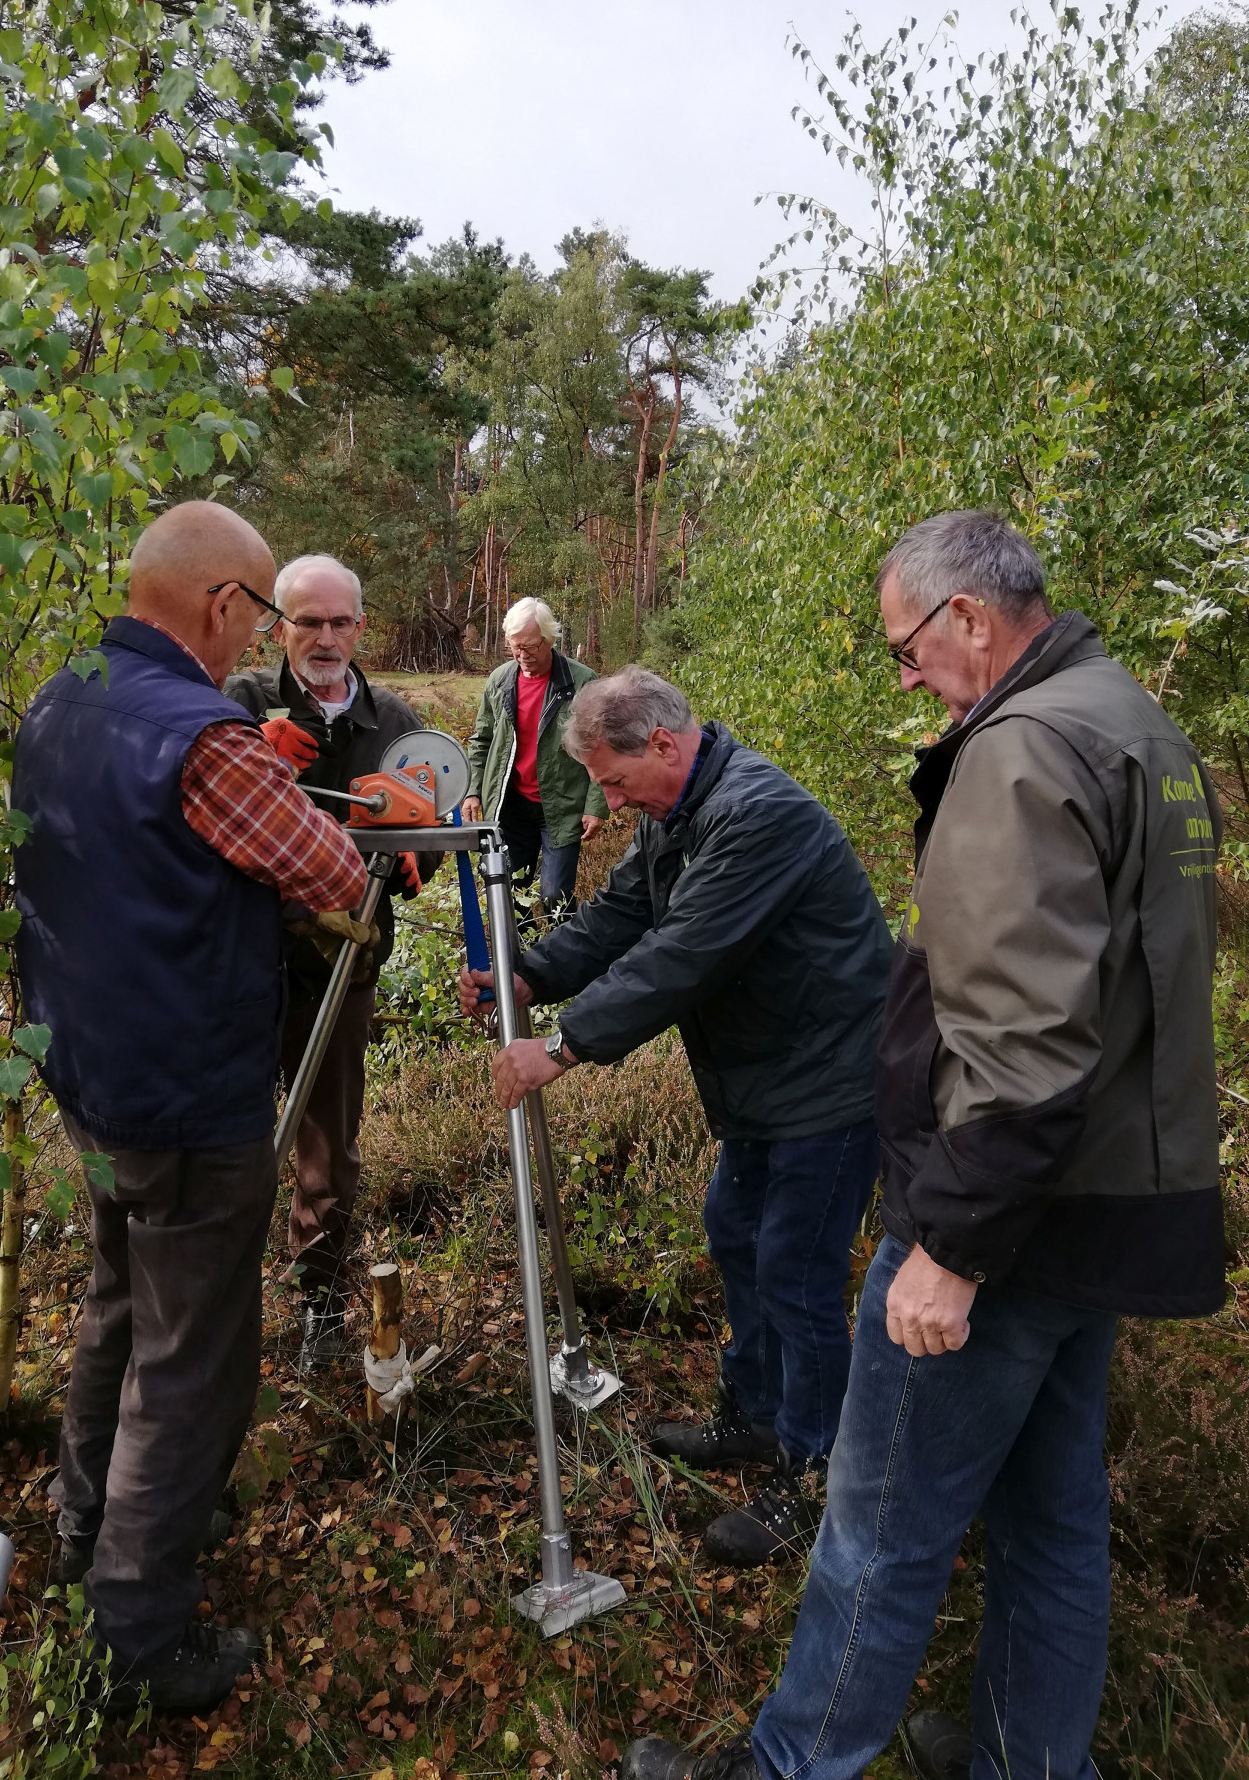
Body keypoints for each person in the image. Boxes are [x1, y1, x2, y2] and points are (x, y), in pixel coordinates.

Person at [624, 512, 1227, 1780]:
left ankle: (790, 1765)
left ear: (968, 617)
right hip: (1109, 1199)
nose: (908, 678)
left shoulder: (1022, 753)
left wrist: (948, 1245)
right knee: (1053, 1517)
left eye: (908, 649)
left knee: (878, 1519)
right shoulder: (1141, 728)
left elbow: (1021, 1032)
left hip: (1004, 1218)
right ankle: (1027, 1756)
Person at [13, 503, 368, 1714]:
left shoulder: (64, 696)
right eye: (259, 614)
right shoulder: (208, 738)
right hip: (188, 1094)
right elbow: (329, 873)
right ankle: (139, 1636)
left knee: (118, 1306)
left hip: (93, 1081)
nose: (258, 638)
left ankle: (81, 1530)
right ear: (223, 607)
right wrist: (300, 795)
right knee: (190, 1358)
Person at [458, 666, 892, 1565]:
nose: (608, 806)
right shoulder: (678, 814)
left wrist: (564, 1044)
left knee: (796, 1271)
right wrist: (530, 973)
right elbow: (621, 918)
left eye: (614, 783)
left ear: (663, 744)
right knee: (735, 1231)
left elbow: (684, 953)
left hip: (834, 1083)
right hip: (767, 1082)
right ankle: (756, 1416)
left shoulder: (757, 815)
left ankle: (816, 1476)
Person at [224, 552, 441, 1367]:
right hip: (238, 967)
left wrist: (422, 856)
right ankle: (223, 1306)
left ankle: (318, 1304)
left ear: (360, 626)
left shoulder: (397, 723)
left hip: (343, 968)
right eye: (307, 620)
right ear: (278, 626)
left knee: (329, 1148)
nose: (324, 636)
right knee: (230, 1142)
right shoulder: (236, 705)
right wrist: (252, 762)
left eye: (338, 621)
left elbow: (433, 823)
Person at [463, 597, 608, 915]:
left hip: (561, 805)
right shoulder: (500, 681)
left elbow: (601, 748)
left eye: (529, 647)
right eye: (515, 648)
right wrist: (473, 790)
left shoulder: (582, 682)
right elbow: (481, 740)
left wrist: (596, 806)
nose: (522, 656)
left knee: (555, 895)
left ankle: (560, 959)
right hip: (511, 806)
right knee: (510, 893)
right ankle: (520, 962)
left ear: (549, 640)